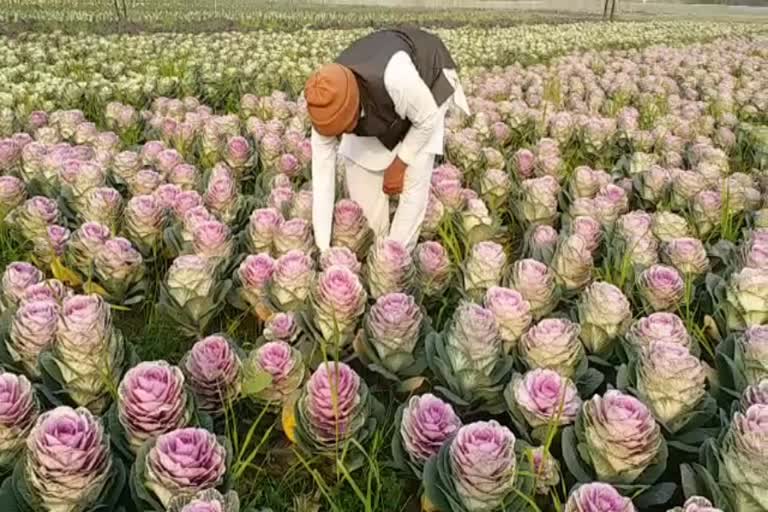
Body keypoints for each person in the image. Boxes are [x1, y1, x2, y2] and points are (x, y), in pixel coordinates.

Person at [304, 25, 470, 253]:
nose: (341, 135)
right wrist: (323, 249)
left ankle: (397, 260)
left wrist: (400, 162)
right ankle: (376, 251)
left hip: (427, 81)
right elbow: (323, 181)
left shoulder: (396, 77)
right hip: (380, 98)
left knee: (414, 179)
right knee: (360, 174)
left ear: (355, 110)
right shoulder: (324, 106)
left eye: (345, 128)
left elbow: (427, 119)